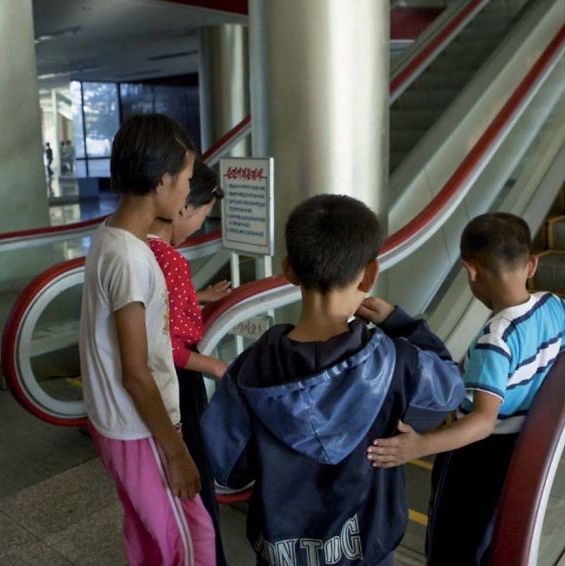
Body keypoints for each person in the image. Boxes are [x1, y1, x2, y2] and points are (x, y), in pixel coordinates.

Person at [202, 194, 465, 566]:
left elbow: (225, 468)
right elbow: (450, 390)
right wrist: (401, 323)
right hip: (367, 552)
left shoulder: (251, 367)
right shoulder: (396, 363)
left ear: (289, 270)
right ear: (370, 273)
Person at [367, 212, 565, 565]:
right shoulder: (554, 308)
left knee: (452, 545)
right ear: (532, 265)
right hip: (519, 451)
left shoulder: (496, 340)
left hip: (475, 459)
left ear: (470, 270)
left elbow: (483, 422)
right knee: (486, 539)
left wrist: (418, 447)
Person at [78, 114, 215, 565]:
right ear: (162, 180)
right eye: (187, 179)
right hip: (141, 429)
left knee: (150, 539)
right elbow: (136, 374)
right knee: (190, 543)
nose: (186, 191)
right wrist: (176, 453)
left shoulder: (110, 237)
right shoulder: (132, 259)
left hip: (119, 425)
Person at [148, 160, 230, 565]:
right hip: (179, 383)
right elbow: (167, 345)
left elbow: (151, 314)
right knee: (197, 475)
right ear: (184, 206)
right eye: (202, 216)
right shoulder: (172, 262)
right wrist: (216, 366)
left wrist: (200, 298)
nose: (199, 225)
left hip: (154, 389)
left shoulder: (138, 247)